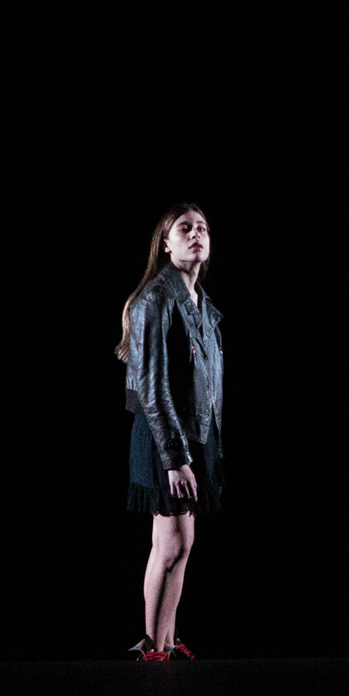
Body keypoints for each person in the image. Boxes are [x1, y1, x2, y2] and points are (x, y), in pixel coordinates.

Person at [117, 204, 223, 662]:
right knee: (169, 544)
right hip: (166, 437)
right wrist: (176, 458)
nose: (196, 234)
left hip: (190, 435)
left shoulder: (202, 304)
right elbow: (152, 387)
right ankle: (151, 646)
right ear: (166, 244)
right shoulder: (155, 298)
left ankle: (166, 641)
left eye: (202, 228)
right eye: (185, 228)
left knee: (182, 543)